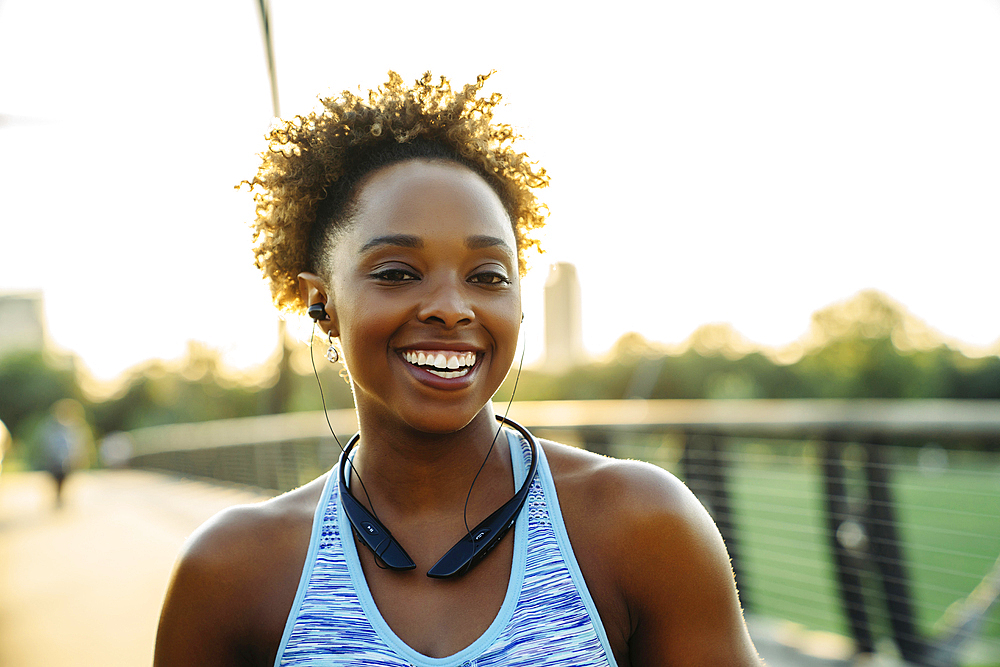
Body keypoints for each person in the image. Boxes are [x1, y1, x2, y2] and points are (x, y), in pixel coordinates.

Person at [154, 72, 762, 666]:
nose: (451, 307)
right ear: (322, 304)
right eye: (397, 272)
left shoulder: (643, 525)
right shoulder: (232, 571)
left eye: (488, 276)